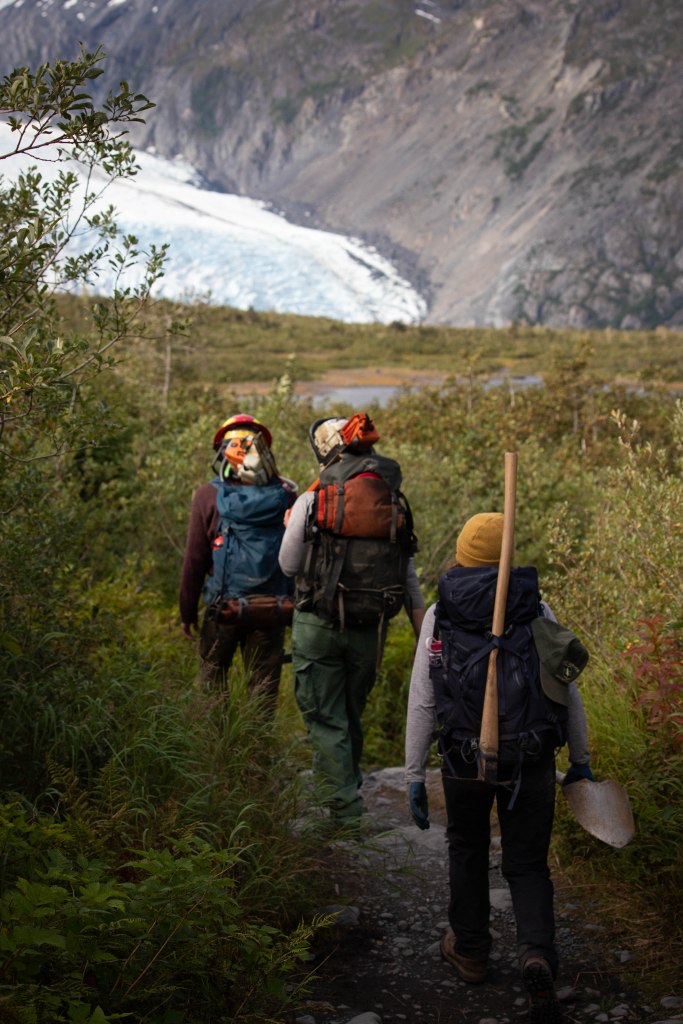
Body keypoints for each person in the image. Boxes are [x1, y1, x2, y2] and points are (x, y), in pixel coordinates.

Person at [405, 512, 593, 1024]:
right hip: (531, 757)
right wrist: (580, 760)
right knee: (527, 862)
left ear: (464, 557)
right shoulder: (536, 608)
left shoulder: (442, 614)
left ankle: (469, 952)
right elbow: (566, 692)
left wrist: (414, 774)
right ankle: (536, 954)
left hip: (464, 757)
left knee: (466, 847)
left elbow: (422, 699)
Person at [279, 413, 425, 823]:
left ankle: (344, 812)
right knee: (348, 713)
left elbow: (289, 566)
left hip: (318, 623)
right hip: (370, 630)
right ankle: (345, 787)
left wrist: (292, 525)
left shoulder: (313, 499)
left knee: (326, 719)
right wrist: (425, 635)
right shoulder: (391, 500)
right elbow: (408, 577)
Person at [179, 412, 297, 712]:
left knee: (211, 683)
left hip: (223, 608)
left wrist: (187, 611)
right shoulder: (286, 495)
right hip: (273, 608)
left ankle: (213, 751)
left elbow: (195, 559)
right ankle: (256, 753)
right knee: (262, 690)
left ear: (223, 451)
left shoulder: (208, 495)